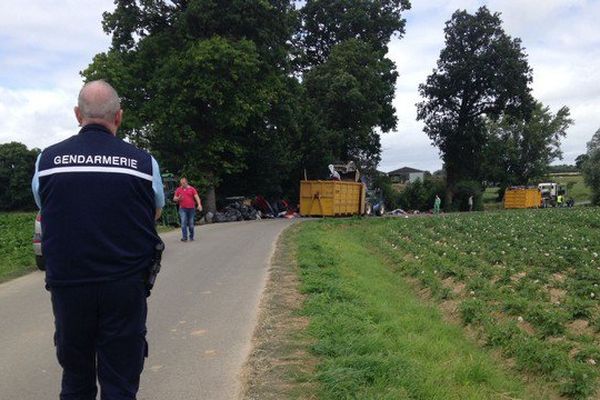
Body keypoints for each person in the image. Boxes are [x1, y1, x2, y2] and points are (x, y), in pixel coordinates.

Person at [31, 80, 165, 400]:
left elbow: (45, 207)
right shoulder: (144, 164)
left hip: (69, 285)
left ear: (78, 115)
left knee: (76, 378)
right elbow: (155, 213)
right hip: (124, 286)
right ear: (118, 117)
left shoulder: (46, 161)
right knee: (120, 381)